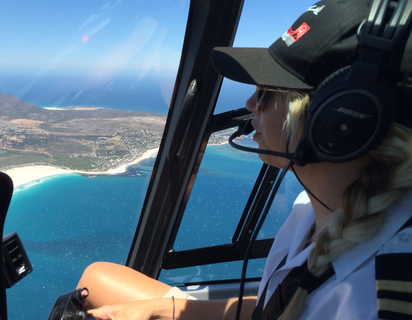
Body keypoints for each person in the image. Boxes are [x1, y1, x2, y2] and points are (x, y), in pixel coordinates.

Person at [77, 0, 412, 319]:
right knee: (97, 279)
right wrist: (160, 311)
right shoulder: (313, 209)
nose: (251, 104)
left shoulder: (374, 298)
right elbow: (280, 303)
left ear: (342, 122)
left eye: (266, 91)